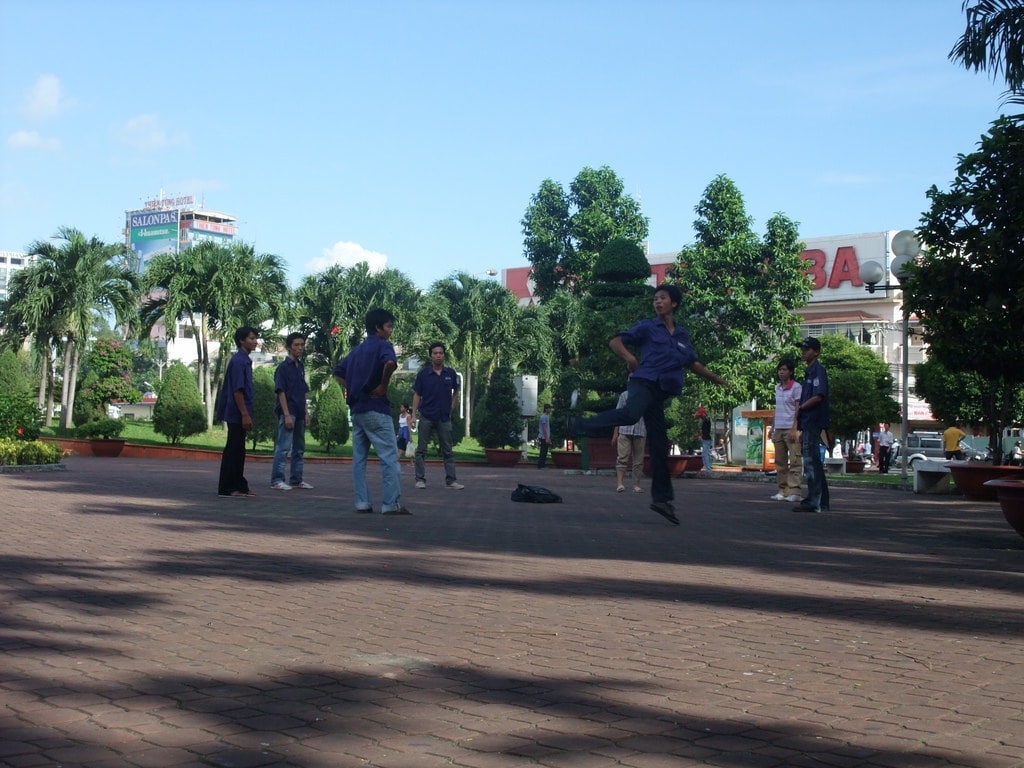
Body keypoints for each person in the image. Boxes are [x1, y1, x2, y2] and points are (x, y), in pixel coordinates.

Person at [576, 284, 727, 525]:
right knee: (631, 413)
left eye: (662, 298)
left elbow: (693, 364)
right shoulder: (648, 327)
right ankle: (581, 424)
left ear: (674, 303)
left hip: (661, 392)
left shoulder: (681, 335)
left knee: (660, 446)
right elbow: (615, 341)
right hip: (643, 382)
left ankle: (662, 500)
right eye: (655, 299)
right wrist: (630, 358)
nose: (657, 302)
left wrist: (717, 379)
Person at [334, 308, 410, 515]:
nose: (391, 331)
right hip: (376, 408)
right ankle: (391, 504)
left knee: (359, 459)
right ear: (378, 328)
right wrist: (383, 386)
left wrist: (354, 386)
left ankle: (362, 503)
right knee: (389, 457)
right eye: (389, 326)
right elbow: (390, 363)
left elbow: (337, 372)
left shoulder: (357, 350)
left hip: (357, 410)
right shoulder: (384, 345)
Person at [411, 342, 464, 490]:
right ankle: (420, 479)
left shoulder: (450, 373)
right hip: (427, 416)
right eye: (435, 353)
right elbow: (417, 395)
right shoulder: (423, 374)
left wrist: (452, 405)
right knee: (421, 450)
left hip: (444, 417)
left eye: (440, 353)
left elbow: (456, 390)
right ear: (430, 356)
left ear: (444, 355)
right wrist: (414, 415)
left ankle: (451, 480)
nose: (438, 356)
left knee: (447, 450)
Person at [216, 326, 259, 498]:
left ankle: (240, 485)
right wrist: (244, 414)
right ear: (242, 340)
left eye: (255, 338)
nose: (255, 341)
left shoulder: (245, 360)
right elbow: (237, 391)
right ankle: (227, 487)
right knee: (233, 449)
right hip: (236, 412)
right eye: (252, 338)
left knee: (239, 449)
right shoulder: (238, 361)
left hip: (240, 411)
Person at [271, 332, 313, 491]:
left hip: (299, 411)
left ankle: (296, 479)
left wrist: (306, 412)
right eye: (296, 345)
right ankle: (277, 480)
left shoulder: (300, 367)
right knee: (283, 447)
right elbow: (280, 391)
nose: (300, 348)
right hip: (288, 411)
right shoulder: (283, 368)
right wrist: (287, 414)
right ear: (289, 347)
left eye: (302, 345)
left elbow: (302, 391)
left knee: (299, 448)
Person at [794, 337, 830, 514]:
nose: (803, 352)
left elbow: (818, 396)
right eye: (802, 349)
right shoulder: (809, 372)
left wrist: (801, 408)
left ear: (816, 351)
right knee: (814, 462)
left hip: (813, 420)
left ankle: (814, 501)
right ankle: (821, 500)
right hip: (808, 421)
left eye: (807, 349)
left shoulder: (818, 371)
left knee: (810, 462)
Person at [771, 359, 802, 502]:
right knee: (780, 462)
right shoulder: (777, 387)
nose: (781, 372)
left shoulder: (796, 387)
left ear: (790, 372)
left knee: (795, 460)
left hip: (791, 428)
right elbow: (777, 408)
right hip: (779, 427)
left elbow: (798, 409)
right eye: (779, 370)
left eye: (784, 369)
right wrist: (773, 426)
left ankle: (795, 491)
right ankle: (783, 490)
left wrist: (795, 428)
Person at [612, 391, 646, 493]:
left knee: (639, 461)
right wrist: (615, 432)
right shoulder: (624, 395)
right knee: (622, 458)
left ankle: (636, 485)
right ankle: (620, 484)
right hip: (624, 429)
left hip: (640, 430)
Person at [697, 407, 713, 473]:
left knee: (705, 455)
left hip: (706, 439)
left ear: (703, 415)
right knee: (705, 455)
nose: (700, 417)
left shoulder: (707, 420)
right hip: (705, 439)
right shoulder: (705, 421)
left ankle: (708, 470)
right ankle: (708, 469)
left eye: (700, 416)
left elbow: (706, 418)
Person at [537, 403, 553, 469]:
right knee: (543, 451)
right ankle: (541, 465)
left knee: (545, 451)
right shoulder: (544, 417)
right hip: (543, 437)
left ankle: (542, 464)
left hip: (545, 436)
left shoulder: (546, 416)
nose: (550, 410)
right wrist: (546, 438)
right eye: (549, 408)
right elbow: (544, 428)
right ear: (546, 409)